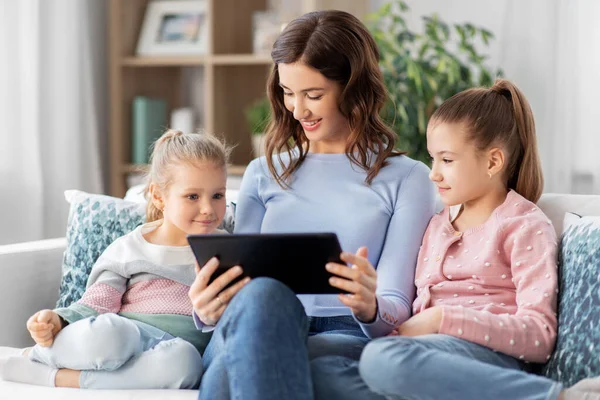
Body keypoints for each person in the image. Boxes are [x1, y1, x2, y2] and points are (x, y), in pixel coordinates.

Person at [186, 10, 436, 400]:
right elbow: (240, 281)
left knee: (226, 373)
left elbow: (396, 306)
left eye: (313, 95)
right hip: (251, 321)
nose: (297, 110)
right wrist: (206, 308)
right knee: (265, 297)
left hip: (346, 333)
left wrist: (370, 305)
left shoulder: (407, 178)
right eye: (287, 92)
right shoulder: (261, 172)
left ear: (353, 88)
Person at [310, 79, 600, 400]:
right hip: (421, 352)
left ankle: (557, 397)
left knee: (384, 359)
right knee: (318, 359)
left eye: (446, 160)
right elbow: (410, 318)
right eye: (433, 158)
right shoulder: (436, 225)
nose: (433, 173)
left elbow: (539, 336)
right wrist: (371, 307)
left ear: (493, 162)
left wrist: (442, 318)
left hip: (487, 357)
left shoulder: (523, 224)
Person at [0, 129, 247, 390]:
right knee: (112, 334)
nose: (208, 208)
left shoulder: (227, 251)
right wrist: (59, 319)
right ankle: (37, 355)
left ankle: (57, 378)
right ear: (159, 196)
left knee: (186, 364)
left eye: (218, 195)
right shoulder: (130, 247)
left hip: (173, 353)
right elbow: (98, 302)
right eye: (193, 197)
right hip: (127, 333)